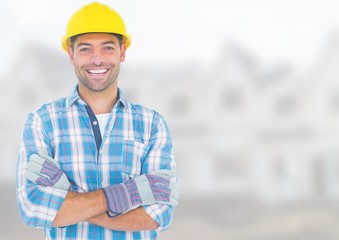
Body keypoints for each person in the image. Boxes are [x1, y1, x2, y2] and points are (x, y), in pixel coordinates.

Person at [16, 2, 178, 239]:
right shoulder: (42, 122)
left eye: (107, 48)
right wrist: (130, 193)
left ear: (122, 52)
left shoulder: (152, 125)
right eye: (85, 49)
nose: (97, 59)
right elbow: (32, 209)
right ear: (71, 54)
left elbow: (158, 215)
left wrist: (67, 194)